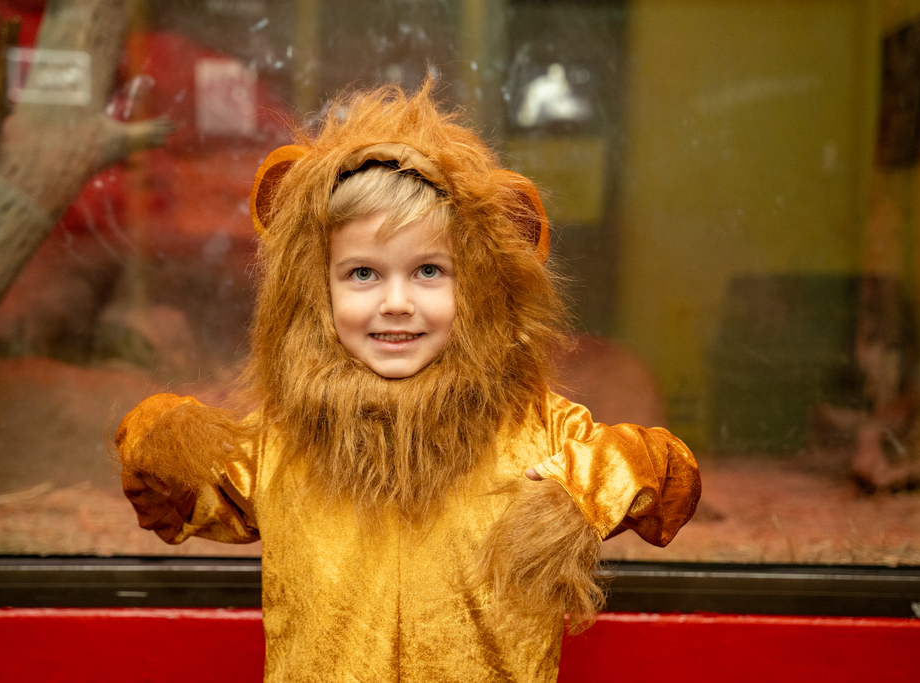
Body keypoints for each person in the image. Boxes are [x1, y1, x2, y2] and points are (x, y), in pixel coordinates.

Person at [115, 81, 701, 683]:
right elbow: (182, 495)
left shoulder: (535, 427)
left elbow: (668, 472)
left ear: (477, 286)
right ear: (316, 292)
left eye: (429, 271)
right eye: (362, 273)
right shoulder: (284, 439)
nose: (396, 303)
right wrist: (164, 437)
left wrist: (589, 485)